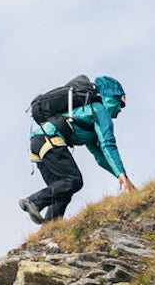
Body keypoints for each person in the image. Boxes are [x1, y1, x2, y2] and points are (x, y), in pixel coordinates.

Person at [22, 75, 133, 223]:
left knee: (63, 192)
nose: (120, 110)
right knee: (73, 180)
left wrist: (122, 177)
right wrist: (121, 173)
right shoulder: (99, 110)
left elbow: (100, 156)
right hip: (49, 140)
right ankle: (34, 201)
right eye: (121, 104)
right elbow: (108, 144)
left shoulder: (89, 116)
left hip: (38, 144)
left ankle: (49, 230)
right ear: (114, 97)